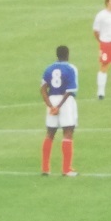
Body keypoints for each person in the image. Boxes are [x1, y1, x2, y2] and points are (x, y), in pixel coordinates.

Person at [40, 44, 79, 177]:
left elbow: (43, 89)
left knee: (50, 134)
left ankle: (45, 168)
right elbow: (70, 90)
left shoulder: (49, 69)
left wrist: (51, 106)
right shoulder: (71, 68)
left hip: (52, 99)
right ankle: (66, 169)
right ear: (67, 55)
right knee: (68, 133)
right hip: (65, 102)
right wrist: (59, 106)